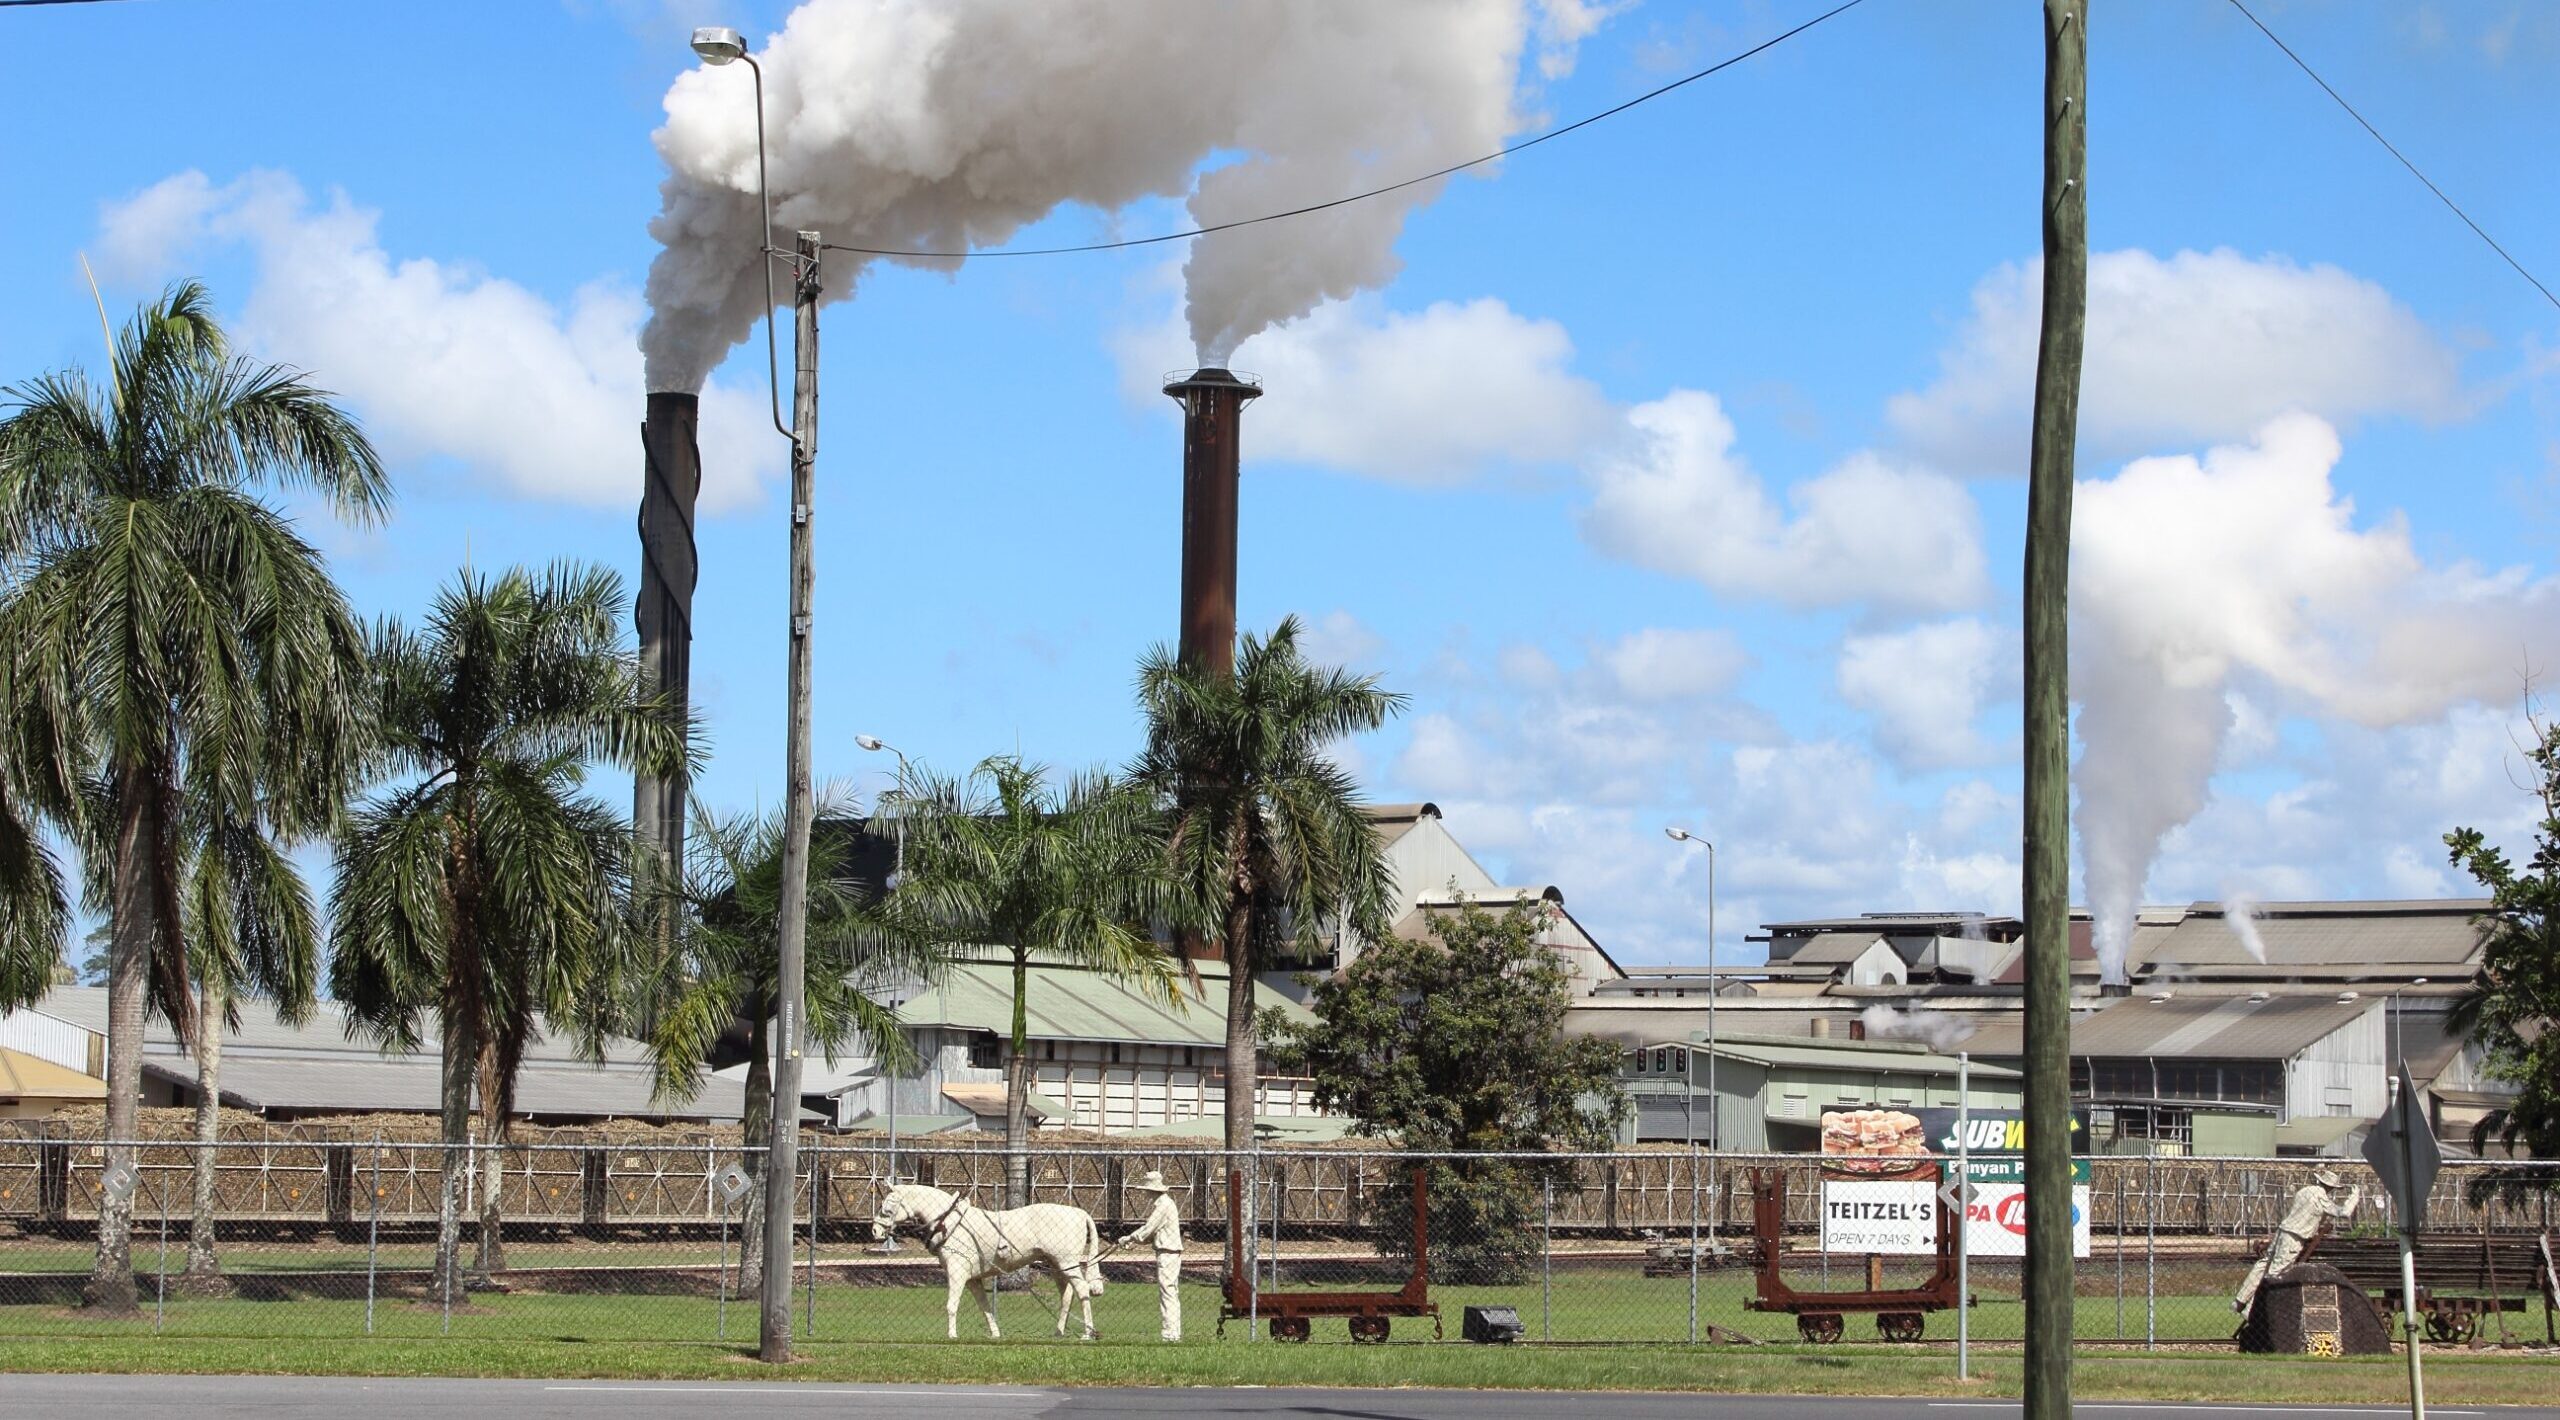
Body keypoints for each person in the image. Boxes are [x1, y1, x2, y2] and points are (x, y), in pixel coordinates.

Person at [2233, 1166, 2363, 1315]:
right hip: (2295, 1237)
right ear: (2331, 1187)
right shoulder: (2321, 1198)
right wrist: (2354, 1197)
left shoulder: (2304, 1192)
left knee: (2262, 1265)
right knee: (2275, 1273)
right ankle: (2252, 1309)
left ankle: (2240, 1300)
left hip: (2284, 1231)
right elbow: (2343, 1212)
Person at [1120, 1170, 1184, 1341]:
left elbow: (1149, 1228)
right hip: (1167, 1251)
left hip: (1168, 1252)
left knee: (1168, 1292)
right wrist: (1135, 1240)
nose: (1144, 1192)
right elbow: (1152, 1233)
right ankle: (1173, 1332)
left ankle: (1170, 1333)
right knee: (1169, 1292)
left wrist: (1129, 1237)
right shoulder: (1163, 1204)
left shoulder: (1163, 1205)